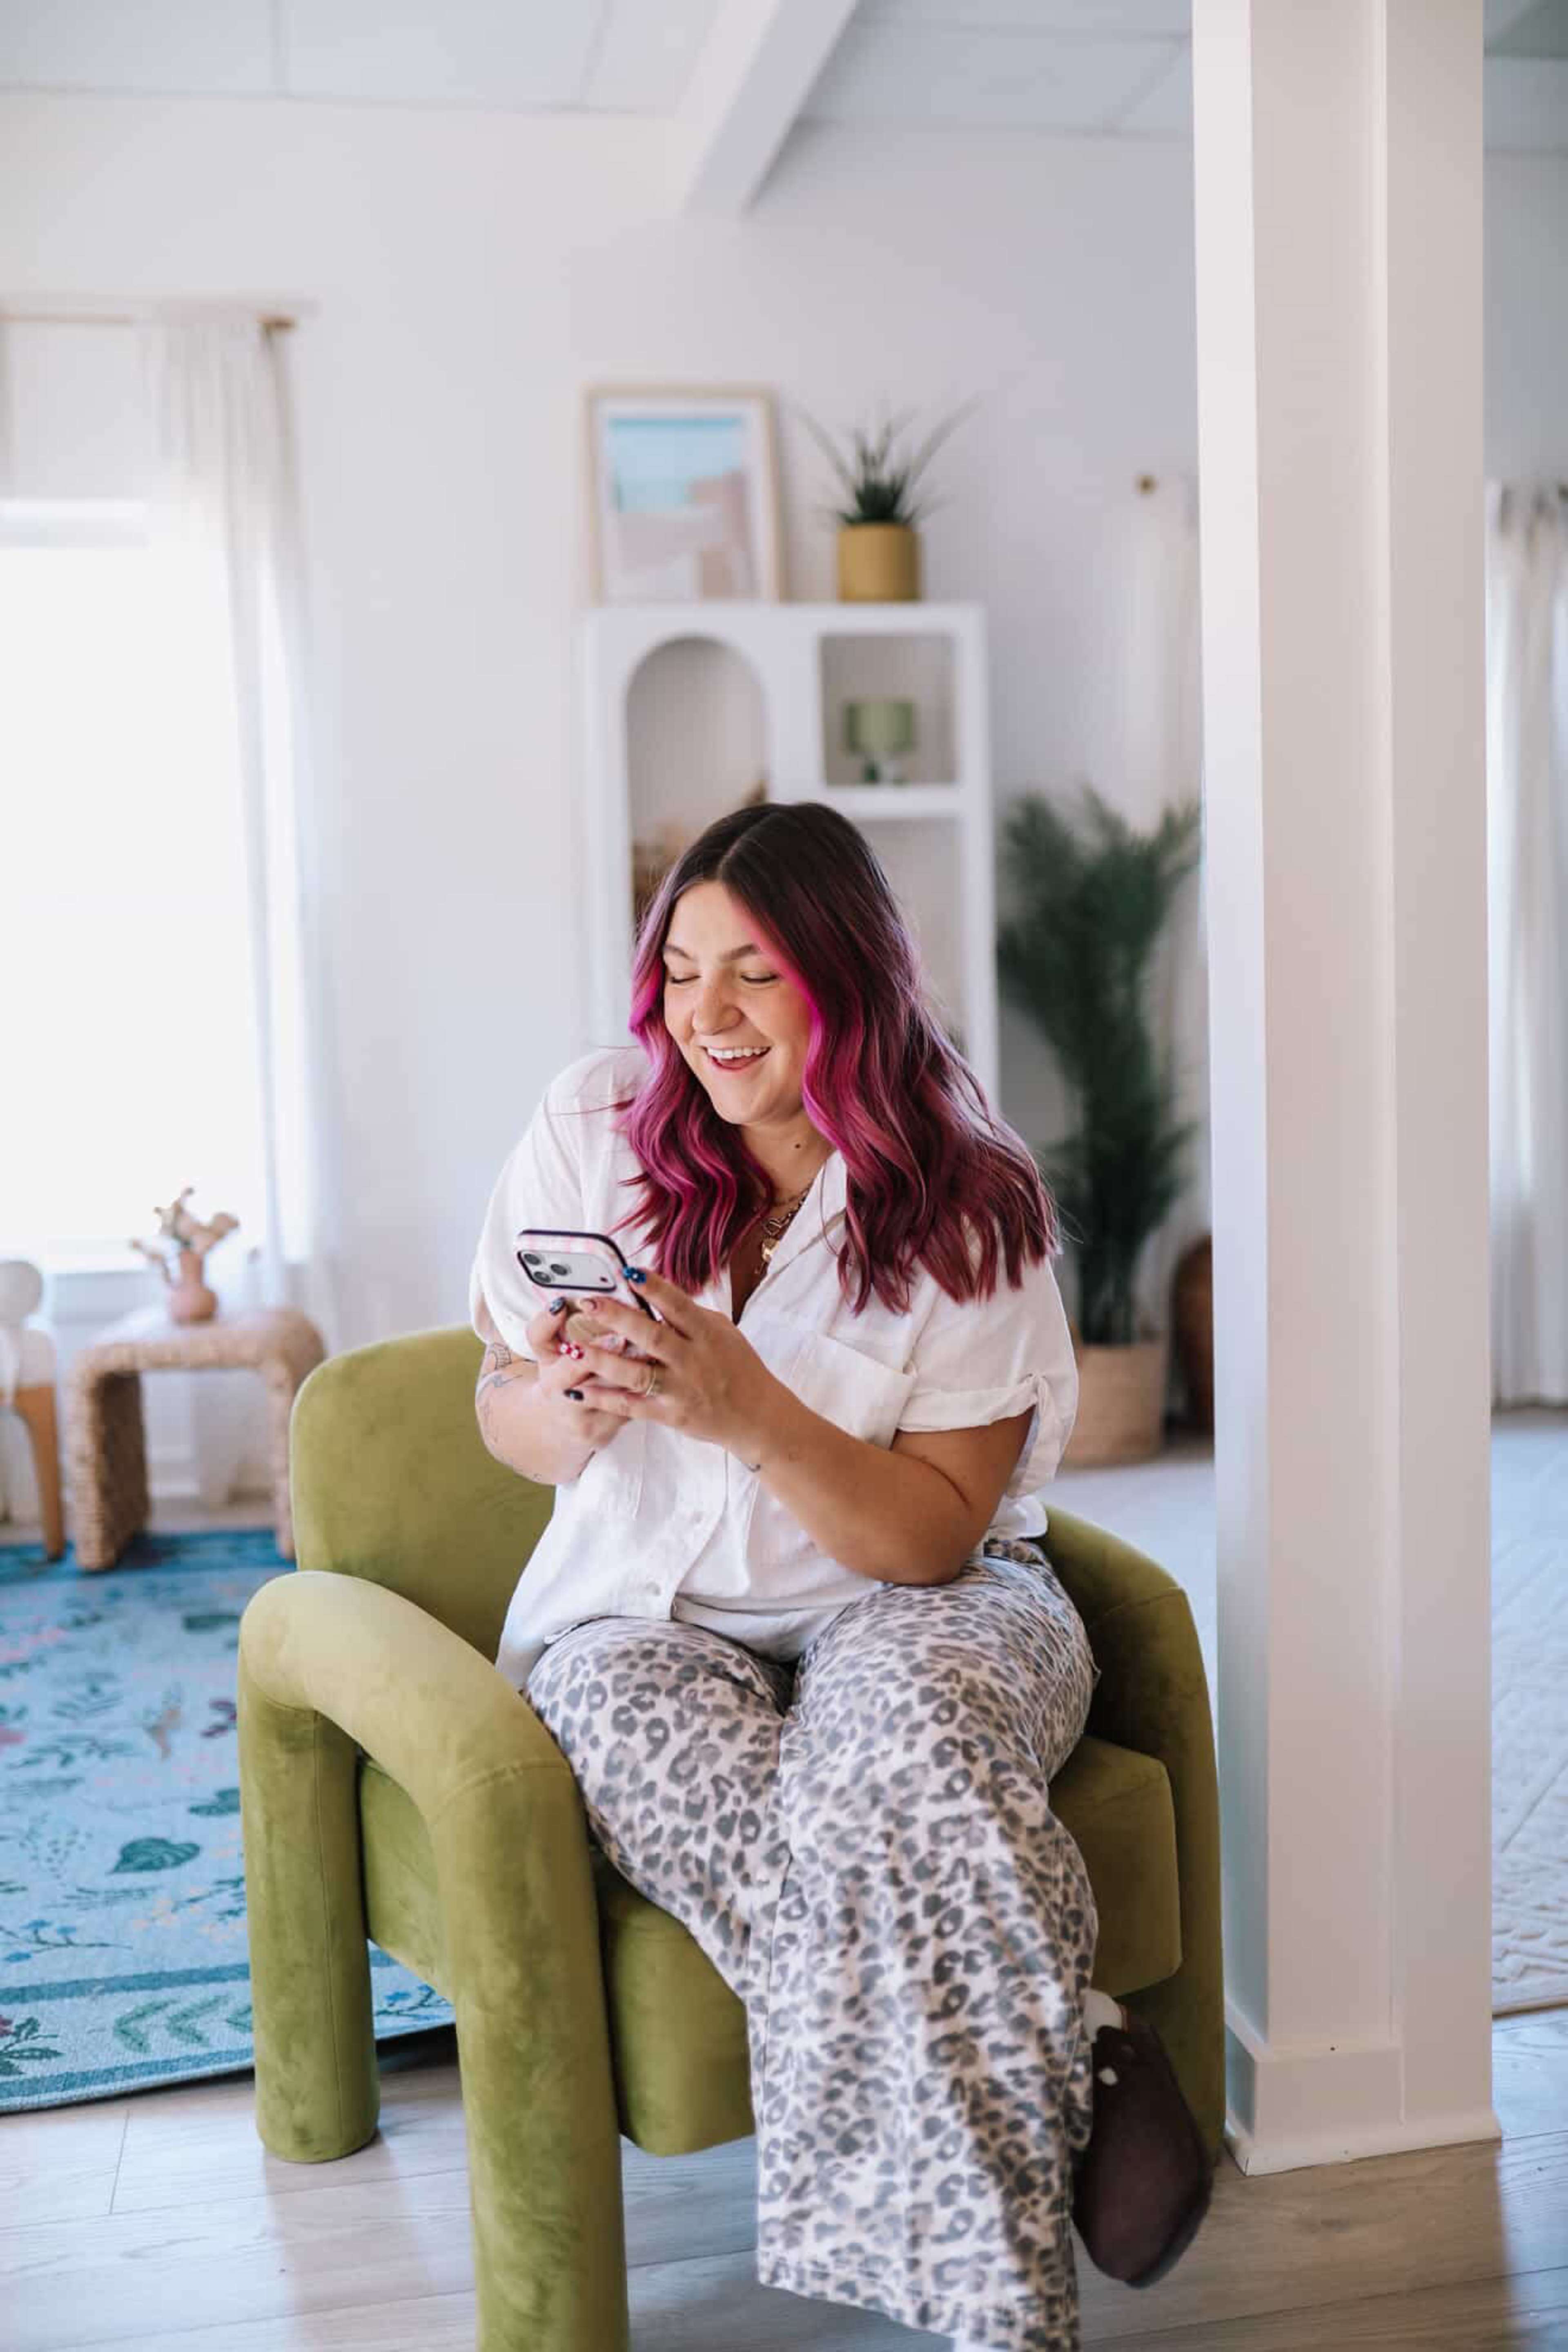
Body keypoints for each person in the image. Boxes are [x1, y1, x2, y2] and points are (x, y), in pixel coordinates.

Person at [468, 802, 1210, 2352]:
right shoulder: (593, 1123)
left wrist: (749, 1410)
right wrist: (567, 1401)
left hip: (919, 1595)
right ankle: (1070, 2046)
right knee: (787, 1826)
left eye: (757, 974)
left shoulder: (969, 1200)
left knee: (906, 1773)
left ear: (850, 981)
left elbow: (933, 1532)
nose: (706, 1017)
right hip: (636, 1621)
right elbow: (506, 1416)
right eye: (679, 972)